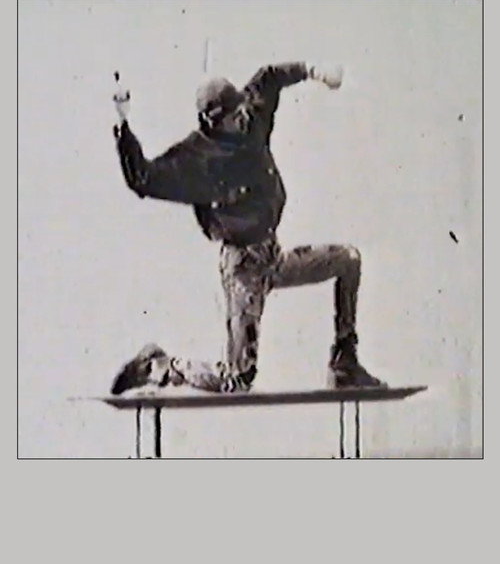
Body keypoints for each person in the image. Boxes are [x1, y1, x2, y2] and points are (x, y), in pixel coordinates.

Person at [110, 63, 387, 395]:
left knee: (348, 260)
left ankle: (345, 363)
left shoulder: (252, 115)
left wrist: (313, 71)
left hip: (273, 256)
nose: (241, 121)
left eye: (241, 112)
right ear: (213, 122)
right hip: (242, 269)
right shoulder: (195, 158)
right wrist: (124, 126)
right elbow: (142, 178)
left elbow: (270, 77)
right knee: (238, 381)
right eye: (232, 118)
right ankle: (160, 367)